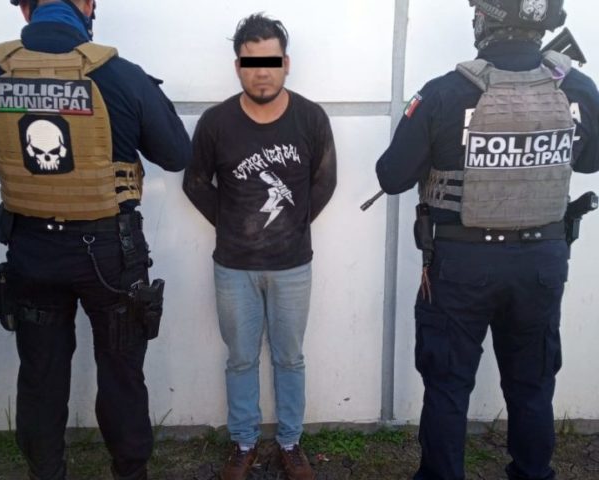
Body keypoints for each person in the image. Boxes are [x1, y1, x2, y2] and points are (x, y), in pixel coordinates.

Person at [0, 1, 191, 479]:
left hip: (32, 253)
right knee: (122, 375)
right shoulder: (119, 74)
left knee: (40, 378)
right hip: (111, 255)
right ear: (86, 6)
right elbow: (175, 153)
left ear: (26, 9)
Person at [375, 1, 599, 479]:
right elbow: (590, 161)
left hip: (462, 264)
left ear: (486, 20)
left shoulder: (444, 92)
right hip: (541, 263)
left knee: (448, 386)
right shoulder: (576, 87)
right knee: (533, 385)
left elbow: (391, 176)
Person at [183, 13, 336, 480]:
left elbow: (325, 181)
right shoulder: (216, 122)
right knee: (240, 359)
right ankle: (244, 442)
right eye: (251, 63)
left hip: (293, 266)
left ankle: (290, 443)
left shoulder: (310, 117)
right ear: (238, 67)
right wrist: (231, 224)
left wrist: (293, 225)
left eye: (270, 62)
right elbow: (194, 182)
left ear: (286, 63)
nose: (262, 73)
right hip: (234, 267)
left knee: (290, 358)